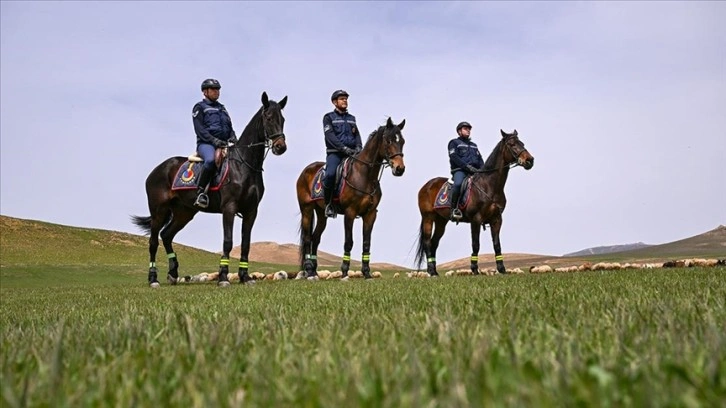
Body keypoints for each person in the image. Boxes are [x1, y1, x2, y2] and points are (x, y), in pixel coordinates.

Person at [191, 78, 237, 208]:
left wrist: (233, 137)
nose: (217, 92)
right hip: (206, 144)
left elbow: (229, 127)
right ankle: (200, 192)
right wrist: (214, 140)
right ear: (205, 92)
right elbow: (199, 130)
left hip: (223, 143)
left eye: (218, 89)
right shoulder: (200, 107)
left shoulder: (222, 109)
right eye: (214, 89)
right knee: (210, 160)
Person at [322, 89, 362, 218]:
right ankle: (328, 205)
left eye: (346, 98)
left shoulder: (352, 118)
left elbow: (357, 135)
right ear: (334, 102)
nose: (345, 100)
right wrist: (344, 149)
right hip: (335, 153)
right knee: (330, 174)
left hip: (352, 154)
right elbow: (330, 137)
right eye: (341, 98)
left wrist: (359, 147)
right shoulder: (328, 118)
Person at [447, 121, 484, 220]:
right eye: (465, 129)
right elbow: (454, 157)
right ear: (459, 131)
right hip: (460, 171)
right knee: (458, 184)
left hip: (474, 172)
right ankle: (454, 209)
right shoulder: (454, 143)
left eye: (469, 129)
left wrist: (483, 170)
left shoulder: (474, 145)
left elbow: (480, 159)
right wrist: (466, 167)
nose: (468, 130)